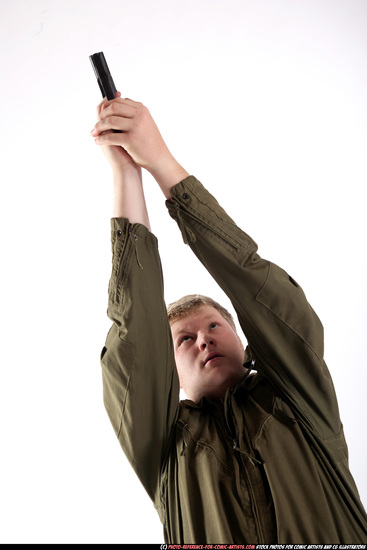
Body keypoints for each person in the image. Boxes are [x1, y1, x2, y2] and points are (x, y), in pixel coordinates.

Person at [91, 94, 367, 544]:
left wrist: (159, 160)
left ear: (243, 339)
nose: (203, 339)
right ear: (170, 373)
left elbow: (263, 291)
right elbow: (135, 338)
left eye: (214, 326)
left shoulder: (298, 398)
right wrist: (126, 173)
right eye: (183, 340)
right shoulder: (163, 449)